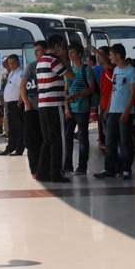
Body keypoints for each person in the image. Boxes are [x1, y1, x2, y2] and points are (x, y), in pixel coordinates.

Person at [94, 43, 135, 180]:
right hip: (113, 110)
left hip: (124, 111)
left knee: (125, 142)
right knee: (110, 141)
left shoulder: (131, 71)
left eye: (111, 55)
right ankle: (109, 168)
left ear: (118, 56)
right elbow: (114, 91)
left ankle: (126, 169)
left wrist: (126, 111)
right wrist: (107, 109)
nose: (110, 57)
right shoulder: (116, 71)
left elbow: (133, 93)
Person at [36, 34, 75, 183]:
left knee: (47, 140)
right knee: (58, 140)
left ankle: (42, 172)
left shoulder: (41, 62)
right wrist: (64, 59)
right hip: (54, 104)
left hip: (43, 104)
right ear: (58, 47)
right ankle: (56, 173)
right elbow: (70, 75)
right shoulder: (53, 61)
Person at [64, 43, 95, 174]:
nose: (70, 55)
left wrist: (78, 94)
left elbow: (92, 88)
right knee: (67, 137)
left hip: (82, 108)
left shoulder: (86, 69)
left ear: (80, 54)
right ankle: (67, 164)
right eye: (69, 52)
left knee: (83, 136)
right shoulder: (68, 70)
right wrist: (66, 107)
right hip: (70, 108)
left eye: (73, 52)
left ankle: (82, 166)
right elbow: (65, 90)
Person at [21, 40, 47, 177]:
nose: (35, 53)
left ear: (45, 51)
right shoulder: (31, 67)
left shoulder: (49, 65)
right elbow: (22, 86)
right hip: (32, 110)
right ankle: (34, 170)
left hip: (46, 109)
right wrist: (28, 104)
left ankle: (45, 168)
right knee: (32, 142)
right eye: (34, 50)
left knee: (45, 140)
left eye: (38, 50)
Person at [0, 54, 25, 156]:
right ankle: (10, 147)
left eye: (13, 63)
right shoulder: (12, 73)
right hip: (10, 104)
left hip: (17, 104)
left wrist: (20, 101)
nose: (12, 65)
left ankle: (19, 148)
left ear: (18, 62)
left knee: (18, 128)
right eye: (10, 63)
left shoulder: (21, 73)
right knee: (12, 128)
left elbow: (23, 88)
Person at [92, 46, 114, 150]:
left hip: (111, 108)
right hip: (104, 106)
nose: (98, 57)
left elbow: (107, 61)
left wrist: (97, 51)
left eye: (100, 55)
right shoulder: (103, 71)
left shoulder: (112, 69)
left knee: (111, 136)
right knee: (106, 134)